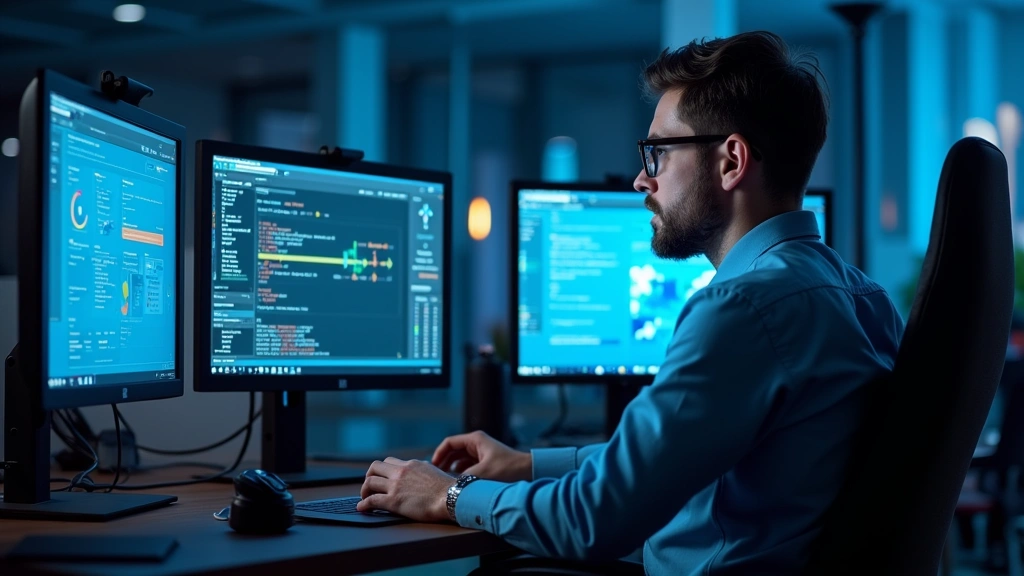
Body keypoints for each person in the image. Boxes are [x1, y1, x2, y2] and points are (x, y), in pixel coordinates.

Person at [358, 30, 904, 575]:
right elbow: (673, 462)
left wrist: (450, 496)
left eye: (658, 152)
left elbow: (594, 519)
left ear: (731, 160)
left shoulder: (743, 308)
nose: (643, 178)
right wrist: (528, 464)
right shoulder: (866, 298)